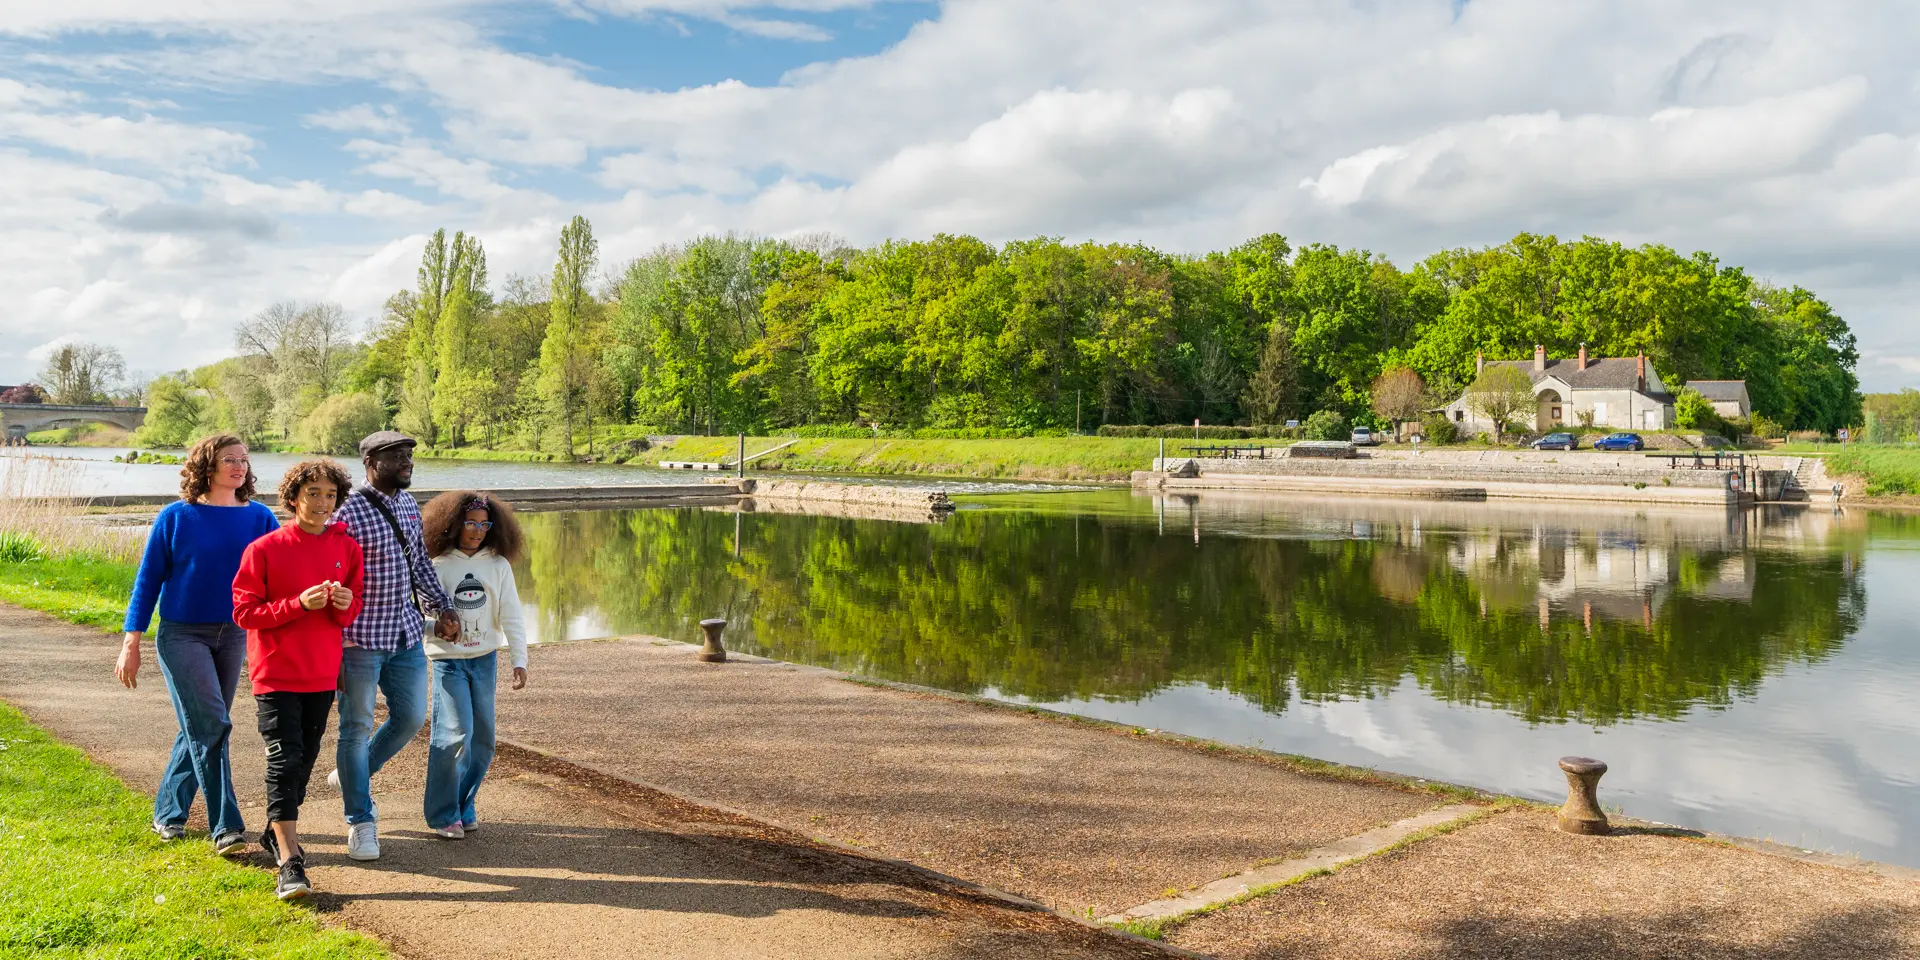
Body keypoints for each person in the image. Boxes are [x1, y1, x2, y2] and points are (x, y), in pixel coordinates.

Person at [115, 434, 279, 856]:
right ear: (207, 464)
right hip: (182, 634)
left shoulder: (260, 518)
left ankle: (168, 812)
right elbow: (148, 581)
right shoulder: (176, 517)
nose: (239, 466)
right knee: (211, 725)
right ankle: (226, 826)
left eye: (244, 459)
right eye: (230, 459)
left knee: (201, 726)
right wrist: (131, 641)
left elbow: (284, 570)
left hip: (235, 634)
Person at [232, 460, 363, 901]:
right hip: (276, 673)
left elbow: (350, 610)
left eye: (330, 495)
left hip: (321, 673)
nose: (322, 503)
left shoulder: (347, 548)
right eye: (313, 493)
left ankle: (274, 831)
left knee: (303, 762)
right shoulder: (264, 549)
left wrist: (344, 603)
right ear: (293, 498)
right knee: (284, 762)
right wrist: (295, 605)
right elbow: (244, 613)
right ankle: (290, 861)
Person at [326, 431, 460, 862]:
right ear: (371, 462)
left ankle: (355, 774)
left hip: (403, 634)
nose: (408, 462)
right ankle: (360, 821)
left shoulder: (405, 503)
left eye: (410, 456)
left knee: (410, 718)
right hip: (358, 641)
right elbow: (328, 575)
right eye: (398, 457)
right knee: (355, 728)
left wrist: (442, 607)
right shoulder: (345, 512)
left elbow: (418, 561)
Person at [419, 491, 529, 838]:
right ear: (452, 524)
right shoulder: (436, 565)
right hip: (448, 662)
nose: (478, 530)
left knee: (483, 742)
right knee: (454, 736)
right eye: (470, 523)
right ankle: (442, 814)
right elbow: (417, 615)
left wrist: (519, 658)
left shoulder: (497, 565)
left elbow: (511, 613)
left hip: (484, 661)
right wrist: (435, 628)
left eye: (484, 524)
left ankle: (463, 804)